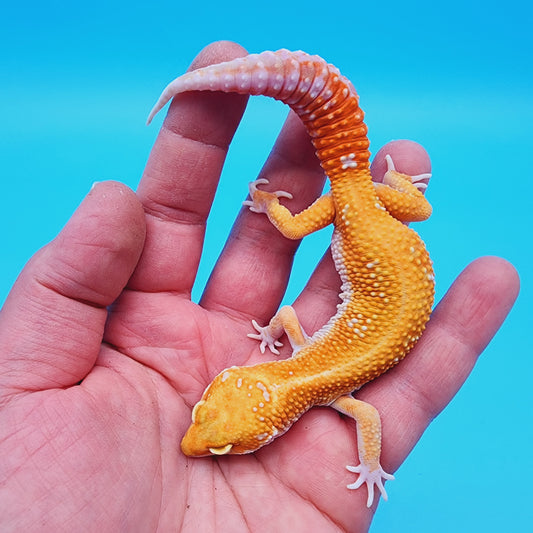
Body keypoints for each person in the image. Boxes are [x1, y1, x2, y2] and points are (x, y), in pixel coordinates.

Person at [0, 41, 519, 532]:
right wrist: (276, 314)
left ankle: (364, 189)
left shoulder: (327, 382)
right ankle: (393, 189)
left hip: (360, 214)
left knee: (302, 225)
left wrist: (371, 464)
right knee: (414, 209)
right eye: (209, 425)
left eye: (216, 442)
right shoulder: (317, 373)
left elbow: (362, 410)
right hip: (372, 209)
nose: (192, 443)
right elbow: (304, 338)